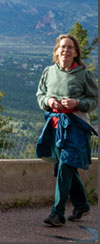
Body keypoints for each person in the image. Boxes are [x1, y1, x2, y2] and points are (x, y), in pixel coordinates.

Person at [35, 34, 98, 227]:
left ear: (76, 53)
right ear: (56, 51)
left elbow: (94, 100)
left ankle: (58, 213)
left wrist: (77, 103)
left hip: (76, 126)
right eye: (62, 47)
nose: (66, 50)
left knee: (65, 165)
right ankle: (81, 204)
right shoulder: (48, 72)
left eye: (70, 47)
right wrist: (48, 101)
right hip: (55, 126)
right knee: (65, 166)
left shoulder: (83, 75)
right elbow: (40, 95)